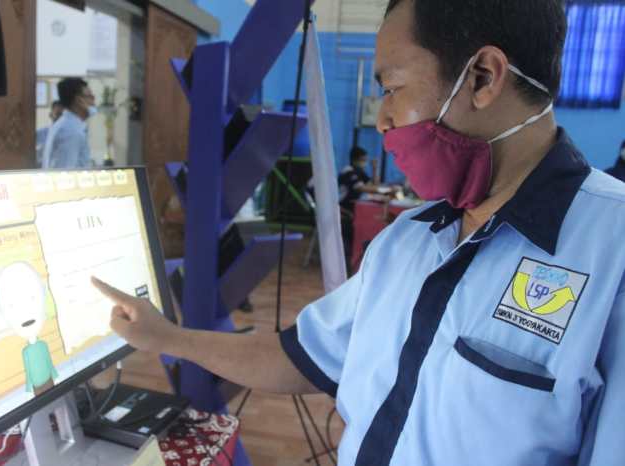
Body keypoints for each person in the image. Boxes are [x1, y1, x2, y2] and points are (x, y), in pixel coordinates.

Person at [92, 1, 625, 464]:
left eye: (392, 88)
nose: (384, 118)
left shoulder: (611, 250)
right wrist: (167, 338)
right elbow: (297, 357)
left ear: (483, 76)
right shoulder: (408, 241)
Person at [41, 78, 96, 169]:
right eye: (90, 97)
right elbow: (66, 174)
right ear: (79, 100)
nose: (93, 102)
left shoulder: (68, 125)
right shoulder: (71, 132)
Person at [35, 100, 63, 168]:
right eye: (58, 114)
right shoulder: (40, 134)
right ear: (50, 115)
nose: (61, 119)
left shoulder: (72, 136)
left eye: (63, 115)